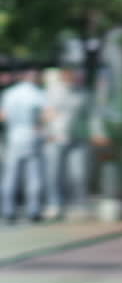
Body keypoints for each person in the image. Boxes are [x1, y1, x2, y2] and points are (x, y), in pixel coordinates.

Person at [43, 69, 92, 220]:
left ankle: (79, 205)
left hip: (77, 138)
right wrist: (49, 132)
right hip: (56, 138)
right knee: (54, 174)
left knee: (78, 173)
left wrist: (94, 133)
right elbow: (46, 113)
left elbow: (90, 115)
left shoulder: (83, 93)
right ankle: (54, 204)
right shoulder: (52, 91)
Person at [0, 69, 47, 224]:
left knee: (10, 175)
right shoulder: (36, 93)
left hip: (14, 136)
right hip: (31, 135)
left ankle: (8, 210)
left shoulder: (9, 93)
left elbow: (3, 116)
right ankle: (33, 210)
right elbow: (46, 115)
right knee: (33, 175)